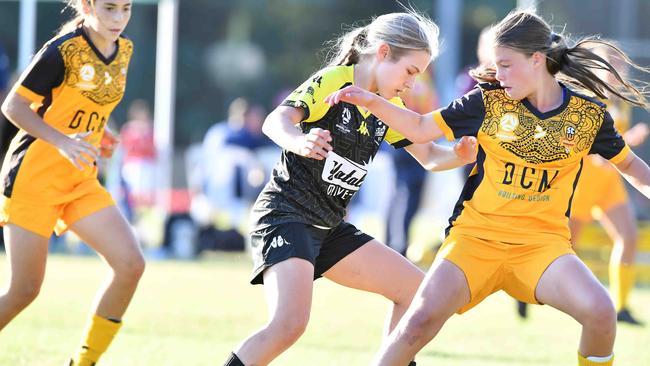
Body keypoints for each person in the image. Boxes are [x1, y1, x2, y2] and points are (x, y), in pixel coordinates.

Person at [326, 10, 650, 366]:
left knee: (601, 313)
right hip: (474, 240)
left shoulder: (588, 117)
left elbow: (630, 165)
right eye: (495, 65)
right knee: (418, 323)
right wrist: (372, 100)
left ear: (537, 59)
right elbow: (419, 129)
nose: (498, 74)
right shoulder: (487, 102)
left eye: (507, 64)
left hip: (542, 247)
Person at [223, 11, 477, 366]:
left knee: (417, 293)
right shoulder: (335, 81)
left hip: (330, 228)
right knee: (288, 325)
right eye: (410, 72)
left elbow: (429, 157)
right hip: (287, 216)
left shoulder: (387, 107)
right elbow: (275, 120)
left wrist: (460, 155)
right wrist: (299, 141)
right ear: (385, 53)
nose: (412, 84)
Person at [0, 1, 144, 365]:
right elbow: (13, 107)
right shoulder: (61, 51)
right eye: (109, 8)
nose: (118, 19)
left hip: (80, 179)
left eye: (125, 9)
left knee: (130, 265)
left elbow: (89, 103)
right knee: (24, 291)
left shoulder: (124, 49)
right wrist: (63, 141)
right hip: (34, 178)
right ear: (86, 6)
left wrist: (104, 132)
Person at [515, 47, 650, 324]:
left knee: (628, 237)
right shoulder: (587, 96)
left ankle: (621, 306)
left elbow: (615, 144)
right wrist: (597, 154)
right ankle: (526, 289)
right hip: (583, 183)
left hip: (609, 182)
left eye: (619, 64)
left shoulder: (619, 99)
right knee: (565, 247)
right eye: (611, 63)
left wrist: (629, 140)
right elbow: (574, 137)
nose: (617, 69)